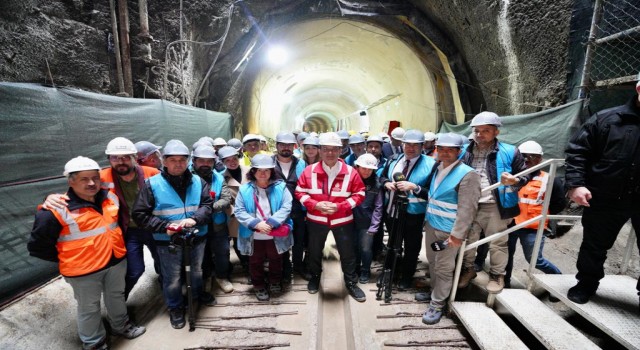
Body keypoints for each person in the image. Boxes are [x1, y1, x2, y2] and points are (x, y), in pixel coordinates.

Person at [28, 156, 145, 350]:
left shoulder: (110, 197)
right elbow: (37, 247)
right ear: (70, 181)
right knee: (89, 308)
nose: (91, 183)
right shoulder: (55, 210)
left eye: (95, 178)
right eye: (84, 179)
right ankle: (94, 343)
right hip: (83, 271)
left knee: (116, 296)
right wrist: (70, 258)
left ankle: (121, 326)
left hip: (115, 261)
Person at [43, 137, 161, 300]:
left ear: (134, 157)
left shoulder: (152, 173)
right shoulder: (102, 178)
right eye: (115, 158)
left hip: (153, 227)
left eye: (126, 157)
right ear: (109, 159)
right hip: (128, 231)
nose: (121, 161)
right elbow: (78, 192)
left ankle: (167, 293)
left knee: (163, 264)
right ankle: (118, 306)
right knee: (134, 270)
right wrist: (51, 197)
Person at [564, 78, 640, 304]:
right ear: (638, 89)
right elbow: (578, 151)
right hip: (606, 197)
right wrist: (576, 184)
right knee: (594, 244)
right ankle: (586, 284)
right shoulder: (607, 119)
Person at [132, 140, 215, 330]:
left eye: (182, 160)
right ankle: (175, 307)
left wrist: (195, 219)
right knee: (172, 277)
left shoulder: (198, 181)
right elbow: (139, 214)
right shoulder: (152, 185)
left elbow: (207, 206)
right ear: (165, 162)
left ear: (188, 162)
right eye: (173, 160)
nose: (178, 164)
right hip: (167, 240)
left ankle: (196, 296)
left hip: (196, 236)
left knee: (197, 270)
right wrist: (164, 227)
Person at [457, 112, 532, 293]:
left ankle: (497, 275)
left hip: (495, 204)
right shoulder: (464, 151)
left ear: (496, 132)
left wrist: (515, 181)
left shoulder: (510, 151)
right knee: (466, 239)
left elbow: (525, 175)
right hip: (469, 202)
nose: (480, 134)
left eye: (486, 130)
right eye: (477, 131)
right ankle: (468, 270)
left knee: (498, 241)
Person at [412, 133, 481, 324]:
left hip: (449, 232)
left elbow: (468, 209)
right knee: (433, 262)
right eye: (441, 149)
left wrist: (457, 235)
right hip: (433, 225)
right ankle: (435, 293)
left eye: (450, 150)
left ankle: (438, 303)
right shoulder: (439, 167)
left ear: (459, 152)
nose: (445, 153)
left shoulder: (468, 174)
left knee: (444, 268)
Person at [295, 132, 367, 302]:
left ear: (341, 150)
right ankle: (315, 277)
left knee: (348, 253)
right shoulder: (309, 171)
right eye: (326, 149)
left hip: (343, 220)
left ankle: (351, 282)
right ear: (320, 150)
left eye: (334, 149)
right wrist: (315, 205)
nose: (330, 153)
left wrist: (340, 207)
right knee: (314, 252)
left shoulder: (351, 172)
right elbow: (299, 192)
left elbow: (360, 193)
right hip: (316, 220)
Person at [379, 129, 436, 289]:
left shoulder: (431, 164)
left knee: (411, 247)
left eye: (415, 145)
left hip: (414, 214)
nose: (410, 148)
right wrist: (386, 183)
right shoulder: (393, 160)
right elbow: (381, 177)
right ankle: (391, 272)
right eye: (407, 144)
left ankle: (406, 276)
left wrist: (415, 187)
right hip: (392, 211)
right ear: (402, 145)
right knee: (392, 243)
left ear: (422, 146)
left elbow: (432, 192)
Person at [505, 141, 564, 288]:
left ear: (540, 159)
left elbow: (559, 204)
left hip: (532, 226)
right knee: (505, 256)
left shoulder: (549, 179)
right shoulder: (510, 177)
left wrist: (541, 215)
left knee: (535, 260)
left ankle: (559, 281)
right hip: (510, 223)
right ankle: (504, 284)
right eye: (523, 156)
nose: (527, 159)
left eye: (533, 156)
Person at [234, 154, 294, 301]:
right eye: (259, 170)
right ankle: (258, 285)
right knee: (255, 261)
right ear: (253, 172)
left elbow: (287, 206)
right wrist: (256, 224)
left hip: (275, 233)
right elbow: (239, 211)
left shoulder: (281, 188)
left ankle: (274, 281)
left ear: (272, 172)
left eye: (267, 170)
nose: (263, 173)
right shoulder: (244, 190)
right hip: (253, 234)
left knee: (276, 259)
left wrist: (272, 222)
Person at [191, 145, 234, 293]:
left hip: (217, 223)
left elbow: (226, 198)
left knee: (222, 251)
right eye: (201, 160)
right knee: (202, 254)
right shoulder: (187, 177)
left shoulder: (218, 177)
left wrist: (207, 209)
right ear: (194, 161)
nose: (205, 164)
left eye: (209, 161)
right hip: (196, 223)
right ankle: (206, 277)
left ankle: (222, 277)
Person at [272, 132, 309, 281]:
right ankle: (285, 268)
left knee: (299, 241)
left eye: (289, 145)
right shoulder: (269, 164)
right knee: (281, 240)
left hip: (298, 210)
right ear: (277, 146)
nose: (286, 148)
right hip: (277, 210)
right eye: (282, 144)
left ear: (294, 146)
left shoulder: (301, 164)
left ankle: (298, 266)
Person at [217, 145, 251, 273]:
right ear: (223, 162)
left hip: (253, 212)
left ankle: (254, 265)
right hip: (235, 214)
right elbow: (222, 197)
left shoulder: (250, 170)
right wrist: (231, 212)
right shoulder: (221, 177)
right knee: (238, 241)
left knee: (254, 239)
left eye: (234, 158)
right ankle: (245, 264)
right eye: (228, 160)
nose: (232, 162)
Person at [351, 153, 383, 284]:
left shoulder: (377, 185)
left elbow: (378, 207)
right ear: (357, 167)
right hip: (350, 221)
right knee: (353, 247)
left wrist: (374, 225)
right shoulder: (350, 181)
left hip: (367, 223)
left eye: (370, 169)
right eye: (363, 168)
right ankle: (355, 269)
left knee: (365, 248)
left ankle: (365, 270)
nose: (366, 171)